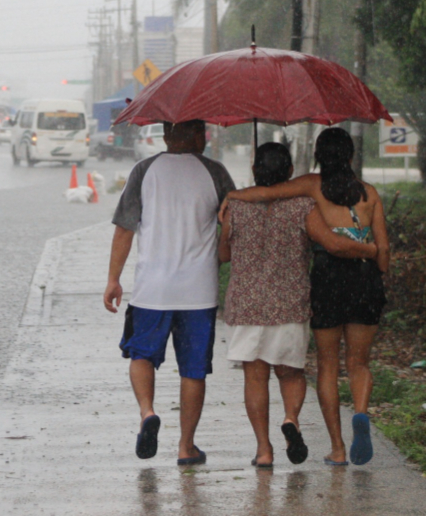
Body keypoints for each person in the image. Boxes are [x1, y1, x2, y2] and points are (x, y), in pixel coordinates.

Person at [223, 128, 390, 466]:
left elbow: (262, 199)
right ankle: (340, 414)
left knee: (320, 366)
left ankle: (319, 449)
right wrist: (374, 260)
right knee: (351, 364)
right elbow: (373, 250)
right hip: (341, 287)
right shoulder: (359, 196)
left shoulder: (305, 188)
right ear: (351, 156)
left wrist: (232, 196)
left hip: (301, 289)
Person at [104, 119, 235, 466]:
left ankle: (147, 413)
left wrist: (113, 279)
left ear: (165, 135)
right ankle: (186, 446)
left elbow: (124, 230)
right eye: (202, 132)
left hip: (152, 289)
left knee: (141, 356)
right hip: (199, 291)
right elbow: (235, 226)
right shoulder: (215, 173)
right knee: (193, 370)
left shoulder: (144, 171)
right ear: (196, 135)